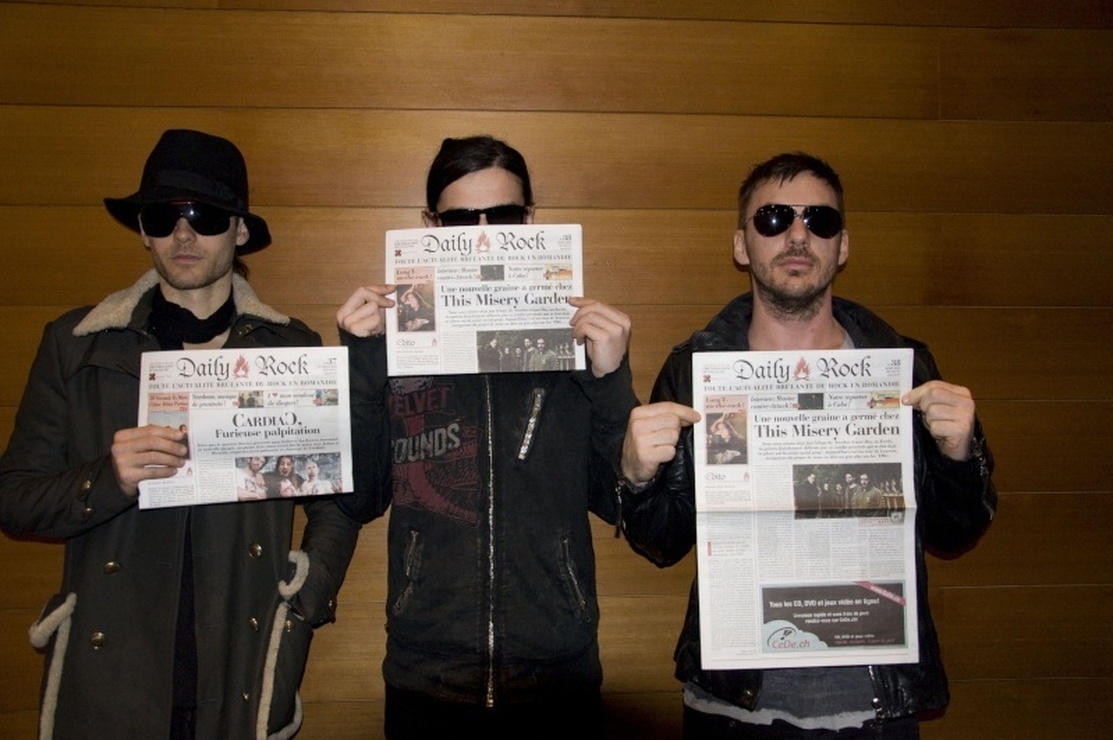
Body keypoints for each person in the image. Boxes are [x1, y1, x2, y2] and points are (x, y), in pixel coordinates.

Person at [619, 152, 996, 738]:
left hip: (876, 708)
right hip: (733, 708)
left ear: (842, 246)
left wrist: (959, 457)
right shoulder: (696, 371)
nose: (798, 235)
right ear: (742, 244)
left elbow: (955, 532)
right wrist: (637, 477)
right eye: (773, 218)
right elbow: (663, 543)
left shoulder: (903, 368)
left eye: (820, 220)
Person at [0, 129, 362, 739]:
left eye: (206, 216)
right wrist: (108, 479)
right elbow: (14, 498)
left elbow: (336, 501)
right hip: (113, 671)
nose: (184, 235)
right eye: (163, 217)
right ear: (143, 231)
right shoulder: (78, 345)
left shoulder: (290, 349)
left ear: (240, 231)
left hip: (239, 659)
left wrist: (303, 599)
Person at [335, 135, 638, 739]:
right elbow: (359, 498)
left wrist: (610, 380)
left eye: (501, 218)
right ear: (429, 226)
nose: (481, 238)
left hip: (558, 680)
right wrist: (364, 364)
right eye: (458, 221)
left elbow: (619, 500)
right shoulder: (401, 349)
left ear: (530, 221)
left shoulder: (575, 344)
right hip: (427, 680)